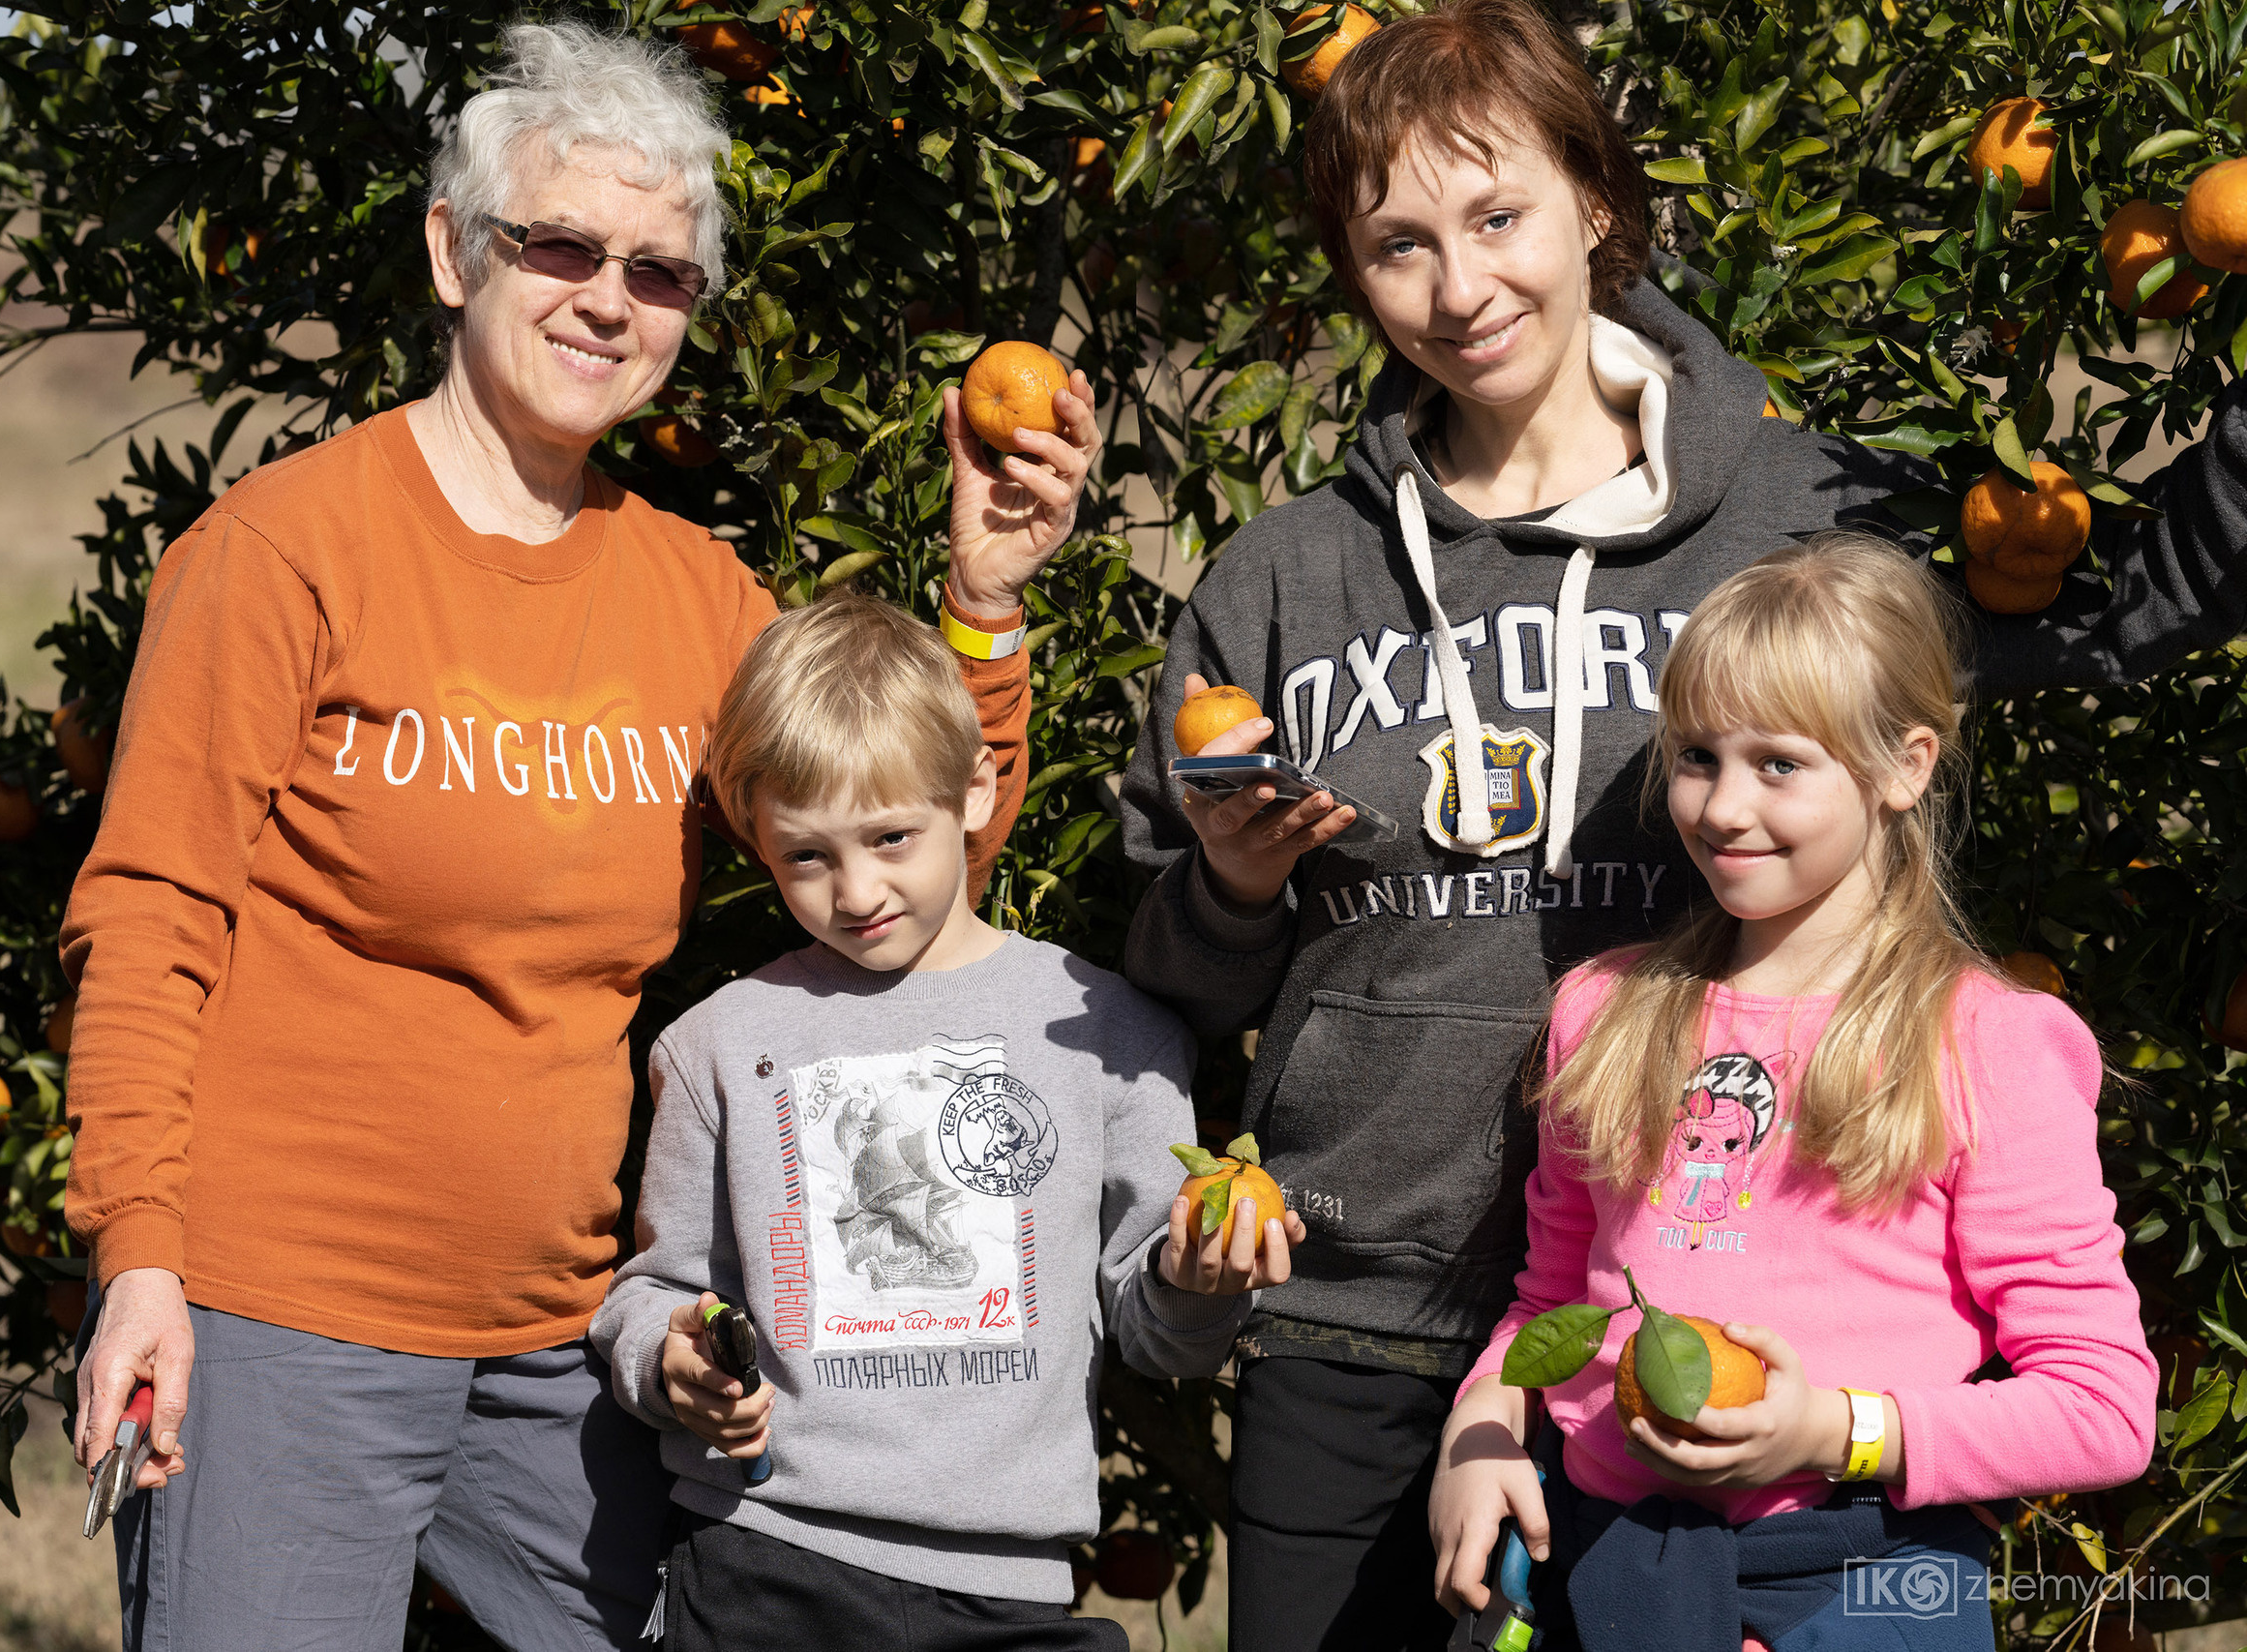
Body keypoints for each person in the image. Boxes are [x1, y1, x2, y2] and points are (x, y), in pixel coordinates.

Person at [1115, 1, 2243, 1644]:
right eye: (1399, 245)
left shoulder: (1814, 512)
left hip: (1710, 1356)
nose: (1462, 286)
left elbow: (2125, 607)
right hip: (1359, 1316)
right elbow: (1171, 974)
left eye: (1500, 216)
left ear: (1594, 201)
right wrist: (1225, 886)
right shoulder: (1283, 580)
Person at [60, 22, 1101, 1650]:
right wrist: (138, 1255)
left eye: (663, 271)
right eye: (560, 246)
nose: (610, 299)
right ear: (452, 251)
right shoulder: (282, 552)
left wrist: (982, 613)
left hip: (556, 1333)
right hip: (282, 1309)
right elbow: (149, 915)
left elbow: (895, 861)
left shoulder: (693, 596)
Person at [1430, 535, 2155, 1651]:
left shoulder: (1984, 1041)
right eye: (1696, 756)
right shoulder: (1608, 1012)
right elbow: (1551, 1303)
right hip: (1614, 1560)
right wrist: (1482, 1428)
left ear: (1904, 766)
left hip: (1862, 1575)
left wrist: (1830, 1431)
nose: (1721, 807)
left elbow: (2102, 1406)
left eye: (1777, 764)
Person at [589, 593, 1302, 1650]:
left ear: (974, 791)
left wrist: (1198, 1282)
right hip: (764, 1557)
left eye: (889, 837)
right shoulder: (716, 1046)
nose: (858, 890)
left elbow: (1159, 1334)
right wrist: (672, 1365)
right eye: (806, 857)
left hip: (1008, 1583)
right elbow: (655, 1295)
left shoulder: (1105, 1029)